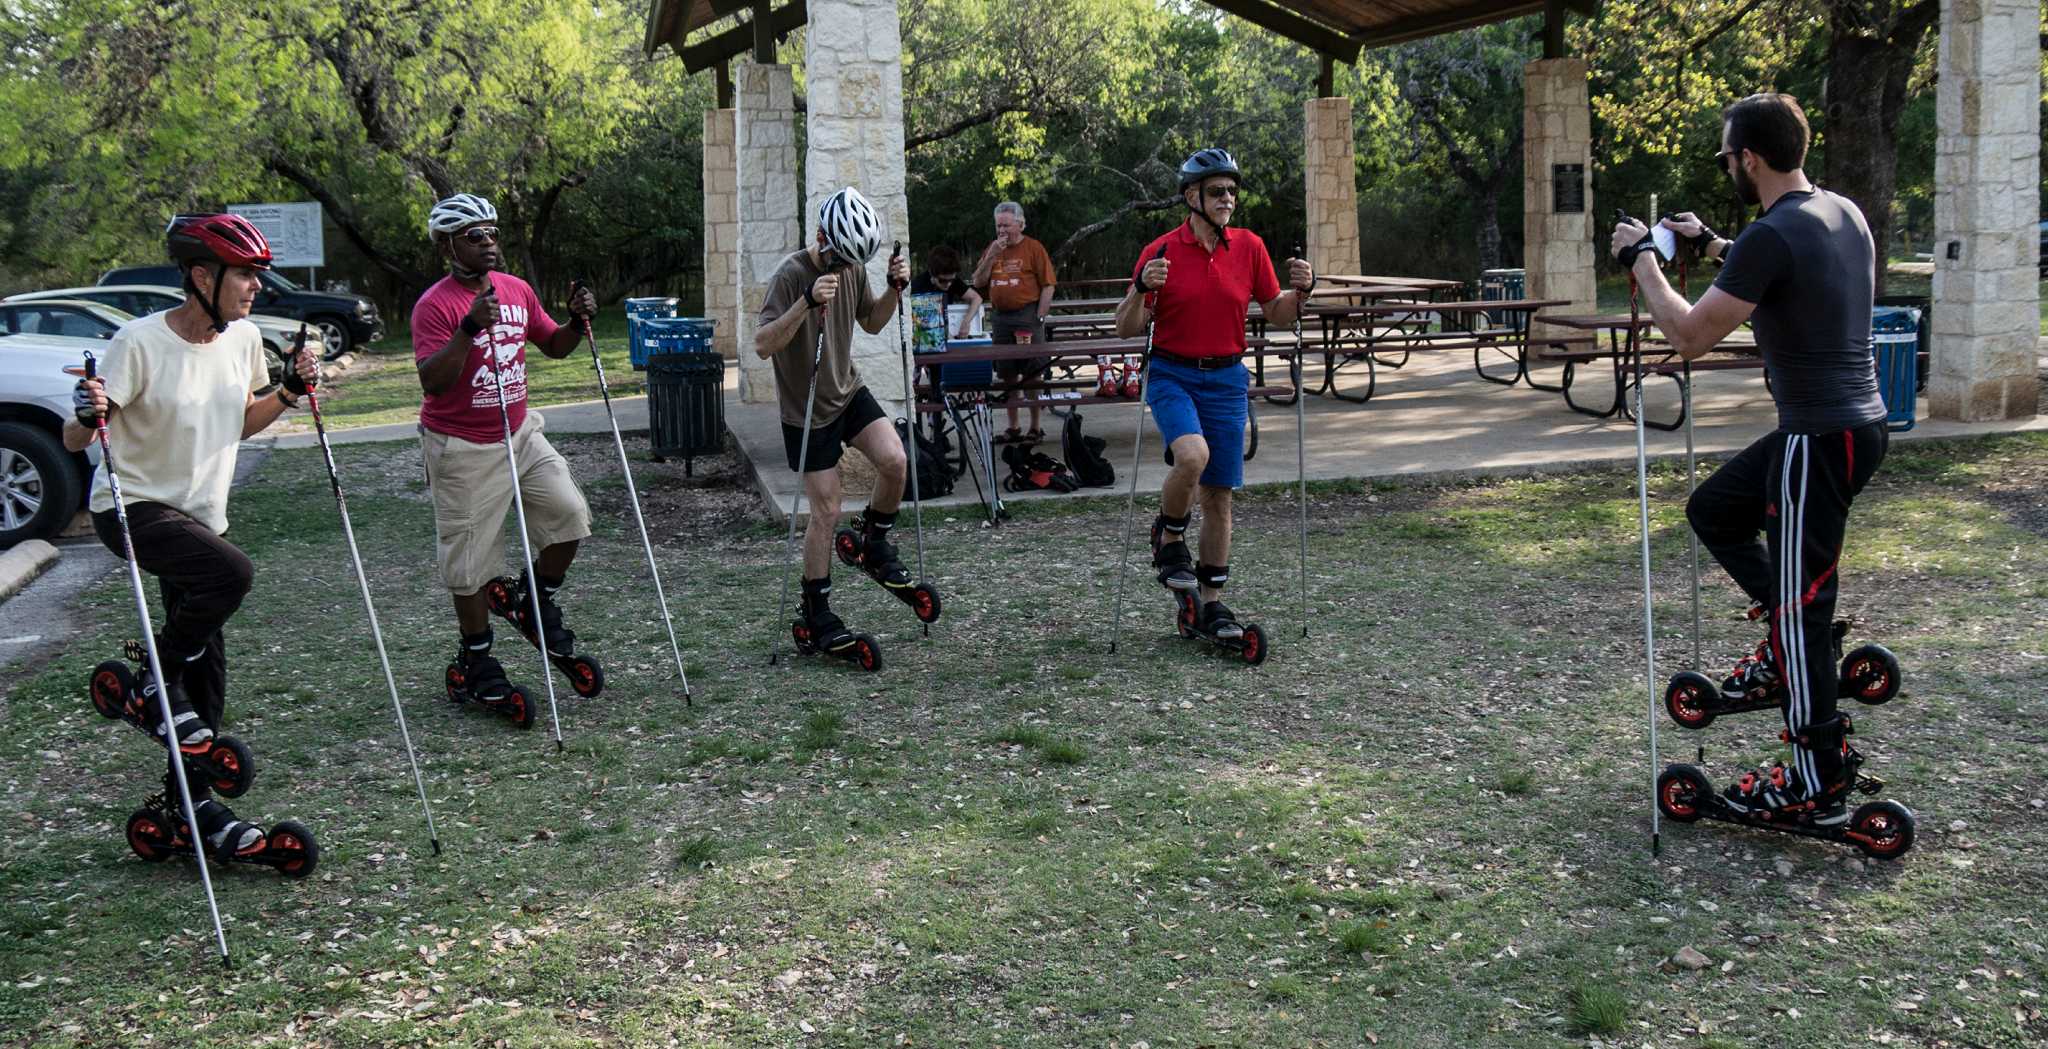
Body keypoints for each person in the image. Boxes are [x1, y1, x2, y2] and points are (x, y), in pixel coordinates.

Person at [1612, 92, 1889, 823]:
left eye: (1727, 157)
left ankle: (1815, 779)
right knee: (1715, 508)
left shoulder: (1772, 234)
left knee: (1803, 611)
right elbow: (1787, 268)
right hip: (1856, 427)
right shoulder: (1839, 212)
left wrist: (1643, 261)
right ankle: (1783, 647)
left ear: (1751, 158)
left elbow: (1689, 335)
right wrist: (1709, 244)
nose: (1727, 166)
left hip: (1816, 438)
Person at [64, 213, 320, 859]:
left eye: (258, 275)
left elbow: (240, 422)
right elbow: (76, 438)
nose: (256, 286)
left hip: (200, 518)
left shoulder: (244, 339)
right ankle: (153, 676)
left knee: (207, 684)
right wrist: (85, 412)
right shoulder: (138, 342)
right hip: (133, 509)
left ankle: (190, 808)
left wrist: (290, 389)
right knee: (231, 574)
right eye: (245, 275)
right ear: (202, 277)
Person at [1113, 148, 1314, 641]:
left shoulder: (1249, 247)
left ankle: (1211, 605)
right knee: (1192, 456)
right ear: (1192, 197)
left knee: (1219, 496)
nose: (1228, 199)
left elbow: (1277, 312)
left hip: (1226, 378)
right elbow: (1125, 327)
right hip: (1172, 373)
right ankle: (1168, 533)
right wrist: (1140, 287)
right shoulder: (1162, 250)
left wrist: (1302, 294)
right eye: (1217, 191)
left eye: (1232, 191)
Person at [412, 193, 599, 716]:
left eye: (492, 232)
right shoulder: (435, 305)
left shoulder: (515, 289)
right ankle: (476, 661)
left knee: (569, 514)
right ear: (448, 246)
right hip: (462, 445)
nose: (488, 243)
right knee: (470, 565)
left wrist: (576, 322)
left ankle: (533, 599)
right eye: (474, 236)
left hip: (519, 433)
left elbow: (553, 345)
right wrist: (469, 328)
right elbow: (432, 381)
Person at [754, 186, 925, 657]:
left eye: (854, 261)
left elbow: (872, 321)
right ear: (821, 238)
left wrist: (893, 290)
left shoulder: (851, 267)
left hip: (847, 390)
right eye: (841, 258)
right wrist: (806, 303)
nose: (846, 267)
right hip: (806, 410)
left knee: (896, 460)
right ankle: (816, 611)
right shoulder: (790, 275)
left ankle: (872, 542)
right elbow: (763, 344)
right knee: (827, 511)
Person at [970, 202, 1056, 443]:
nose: (1002, 230)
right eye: (999, 226)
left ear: (1020, 224)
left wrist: (1040, 315)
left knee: (1033, 374)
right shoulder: (993, 248)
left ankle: (1035, 427)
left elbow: (1048, 284)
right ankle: (1013, 426)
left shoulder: (1033, 248)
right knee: (1007, 374)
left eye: (1006, 225)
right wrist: (991, 256)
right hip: (1001, 317)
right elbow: (977, 282)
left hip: (1027, 315)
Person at [910, 244, 984, 337]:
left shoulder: (954, 282)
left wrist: (966, 322)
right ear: (932, 274)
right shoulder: (917, 285)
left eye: (951, 280)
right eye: (943, 281)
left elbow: (977, 298)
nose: (948, 284)